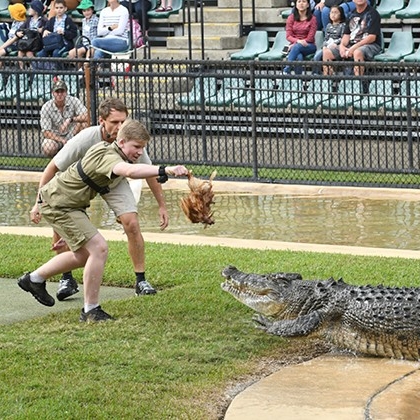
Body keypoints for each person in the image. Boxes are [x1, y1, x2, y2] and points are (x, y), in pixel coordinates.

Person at [19, 119, 189, 322]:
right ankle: (91, 310)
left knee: (83, 255)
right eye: (136, 147)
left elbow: (134, 170)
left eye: (142, 147)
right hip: (58, 204)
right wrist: (165, 170)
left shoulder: (112, 151)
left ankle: (34, 279)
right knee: (99, 248)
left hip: (67, 205)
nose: (139, 152)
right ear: (122, 141)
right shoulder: (108, 155)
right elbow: (130, 172)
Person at [31, 97, 167, 300]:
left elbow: (145, 171)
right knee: (62, 223)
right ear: (101, 121)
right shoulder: (86, 138)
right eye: (115, 122)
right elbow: (53, 167)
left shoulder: (131, 140)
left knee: (131, 223)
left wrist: (162, 205)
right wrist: (37, 203)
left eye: (124, 121)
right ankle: (66, 278)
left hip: (114, 180)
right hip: (82, 183)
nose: (121, 126)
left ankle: (141, 280)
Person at [40, 79, 89, 157]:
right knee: (48, 147)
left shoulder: (73, 100)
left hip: (73, 133)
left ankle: (82, 154)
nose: (60, 94)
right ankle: (57, 159)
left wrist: (70, 119)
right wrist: (62, 140)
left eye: (62, 91)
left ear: (66, 92)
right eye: (57, 92)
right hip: (56, 137)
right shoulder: (46, 107)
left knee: (85, 123)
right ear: (53, 93)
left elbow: (87, 116)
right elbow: (46, 132)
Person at [339, 0, 381, 76]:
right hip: (352, 44)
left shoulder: (373, 13)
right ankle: (327, 83)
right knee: (327, 52)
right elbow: (346, 34)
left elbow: (372, 37)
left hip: (371, 45)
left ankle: (358, 83)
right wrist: (341, 46)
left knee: (357, 52)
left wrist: (354, 47)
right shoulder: (350, 14)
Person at [284, 0, 318, 75]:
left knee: (297, 47)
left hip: (309, 45)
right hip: (295, 45)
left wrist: (297, 43)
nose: (301, 4)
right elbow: (288, 36)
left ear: (308, 5)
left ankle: (286, 70)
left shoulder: (313, 19)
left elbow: (310, 38)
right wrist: (297, 41)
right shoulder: (291, 18)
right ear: (296, 5)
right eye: (299, 1)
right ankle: (299, 79)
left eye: (304, 1)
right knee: (299, 57)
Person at [16, 0, 47, 69]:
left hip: (36, 43)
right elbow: (21, 28)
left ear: (36, 10)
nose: (29, 9)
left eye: (31, 8)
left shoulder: (43, 21)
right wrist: (17, 32)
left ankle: (34, 69)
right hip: (27, 42)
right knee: (20, 52)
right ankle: (22, 70)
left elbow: (46, 30)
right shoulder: (28, 20)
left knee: (28, 53)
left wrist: (41, 30)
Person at [321, 6, 346, 75]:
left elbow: (343, 38)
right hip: (328, 46)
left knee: (326, 53)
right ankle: (317, 74)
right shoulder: (328, 26)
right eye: (331, 12)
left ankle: (327, 75)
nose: (333, 15)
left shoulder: (343, 25)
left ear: (341, 14)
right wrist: (324, 46)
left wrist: (335, 43)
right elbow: (326, 38)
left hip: (338, 46)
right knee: (318, 56)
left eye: (336, 12)